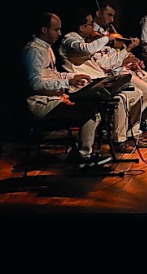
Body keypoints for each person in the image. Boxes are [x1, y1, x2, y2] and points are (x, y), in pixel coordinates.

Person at [22, 12, 112, 168]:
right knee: (90, 112)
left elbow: (53, 74)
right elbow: (35, 84)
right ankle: (82, 157)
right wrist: (66, 83)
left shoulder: (46, 49)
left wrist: (72, 76)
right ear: (44, 30)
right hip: (40, 104)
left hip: (53, 99)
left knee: (93, 108)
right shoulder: (33, 51)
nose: (59, 33)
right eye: (56, 30)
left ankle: (80, 153)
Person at [61, 7, 147, 152]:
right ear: (83, 27)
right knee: (123, 98)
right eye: (91, 25)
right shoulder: (69, 40)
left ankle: (129, 135)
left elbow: (105, 64)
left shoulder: (87, 41)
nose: (93, 28)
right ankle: (117, 141)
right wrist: (106, 38)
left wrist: (125, 51)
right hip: (81, 87)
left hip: (97, 83)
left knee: (137, 93)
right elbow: (86, 49)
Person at [92, 0, 147, 129]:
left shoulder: (108, 31)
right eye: (109, 15)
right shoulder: (93, 37)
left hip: (121, 67)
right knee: (145, 89)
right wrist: (126, 53)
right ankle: (124, 126)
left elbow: (115, 54)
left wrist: (130, 59)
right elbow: (104, 63)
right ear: (98, 13)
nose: (112, 20)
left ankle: (127, 123)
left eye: (113, 16)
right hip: (112, 73)